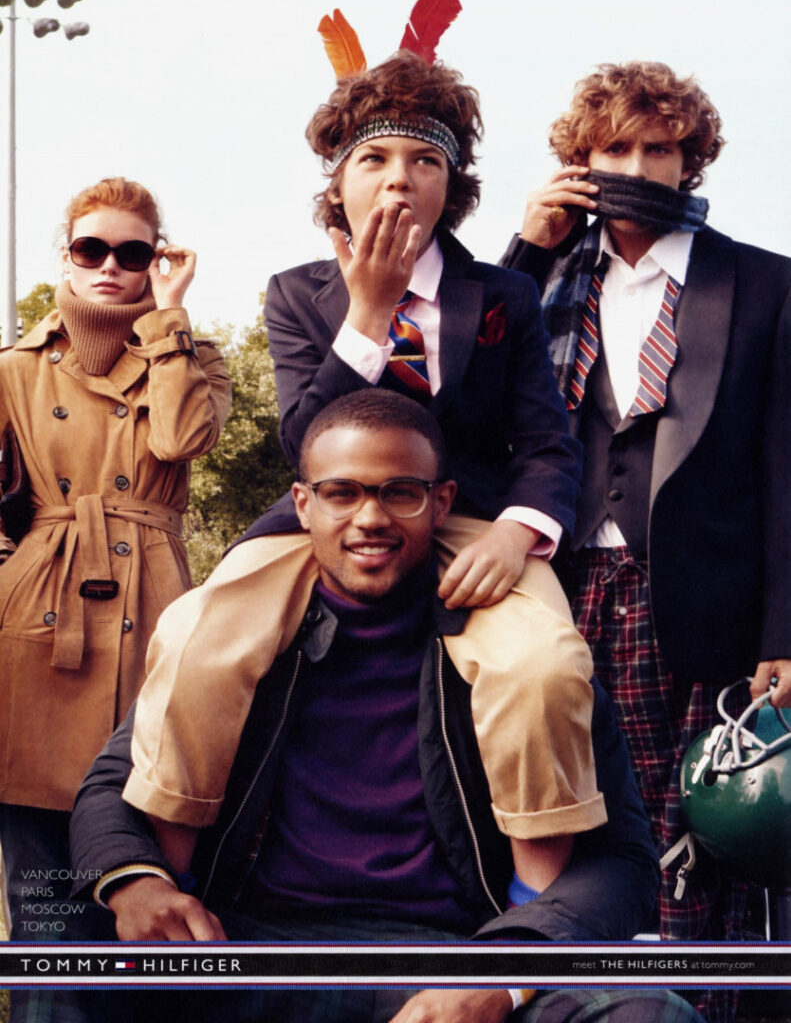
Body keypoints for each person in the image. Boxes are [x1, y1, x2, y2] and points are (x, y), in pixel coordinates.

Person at [122, 50, 606, 896]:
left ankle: (533, 903)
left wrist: (516, 531)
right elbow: (302, 438)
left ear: (452, 187)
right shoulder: (296, 293)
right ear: (337, 185)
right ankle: (175, 883)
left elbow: (546, 442)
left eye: (424, 161)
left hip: (468, 522)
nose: (398, 180)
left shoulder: (502, 294)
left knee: (540, 665)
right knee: (196, 640)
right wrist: (369, 312)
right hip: (323, 519)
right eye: (373, 159)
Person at [70, 390, 699, 1023]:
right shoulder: (230, 645)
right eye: (341, 493)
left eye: (400, 493)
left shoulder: (527, 655)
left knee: (649, 1016)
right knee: (59, 959)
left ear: (442, 503)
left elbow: (623, 861)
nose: (369, 518)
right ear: (303, 505)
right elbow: (111, 786)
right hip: (249, 949)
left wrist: (504, 973)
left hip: (461, 956)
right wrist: (137, 882)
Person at [500, 61, 791, 1023]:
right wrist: (526, 245)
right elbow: (472, 378)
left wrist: (782, 632)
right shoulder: (541, 280)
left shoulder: (763, 282)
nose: (634, 167)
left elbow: (785, 468)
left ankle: (698, 1008)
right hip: (561, 585)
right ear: (579, 163)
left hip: (706, 598)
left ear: (688, 159)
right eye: (613, 148)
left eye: (656, 148)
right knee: (579, 820)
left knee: (703, 826)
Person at [0, 176, 231, 973]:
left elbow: (180, 442)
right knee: (43, 891)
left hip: (155, 606)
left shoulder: (189, 354)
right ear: (65, 256)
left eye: (132, 253)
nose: (109, 266)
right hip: (40, 609)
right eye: (91, 248)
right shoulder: (15, 368)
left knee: (150, 834)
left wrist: (168, 319)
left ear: (155, 261)